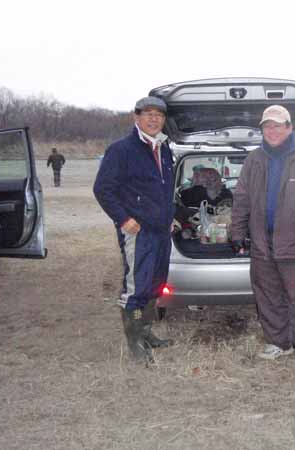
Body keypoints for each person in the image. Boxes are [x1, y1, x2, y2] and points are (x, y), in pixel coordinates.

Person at [231, 105, 295, 376]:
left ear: (289, 127)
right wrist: (238, 233)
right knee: (268, 297)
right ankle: (279, 342)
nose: (272, 131)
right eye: (267, 126)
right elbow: (241, 199)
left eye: (277, 125)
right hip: (262, 245)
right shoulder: (254, 160)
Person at [93, 96, 176, 364]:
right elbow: (103, 189)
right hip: (138, 232)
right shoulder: (122, 150)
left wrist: (169, 216)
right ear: (136, 117)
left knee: (156, 284)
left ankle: (146, 331)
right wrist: (123, 219)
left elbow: (165, 189)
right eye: (147, 113)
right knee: (137, 287)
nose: (153, 119)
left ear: (164, 120)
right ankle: (136, 343)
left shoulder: (164, 148)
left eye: (158, 115)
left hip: (161, 231)